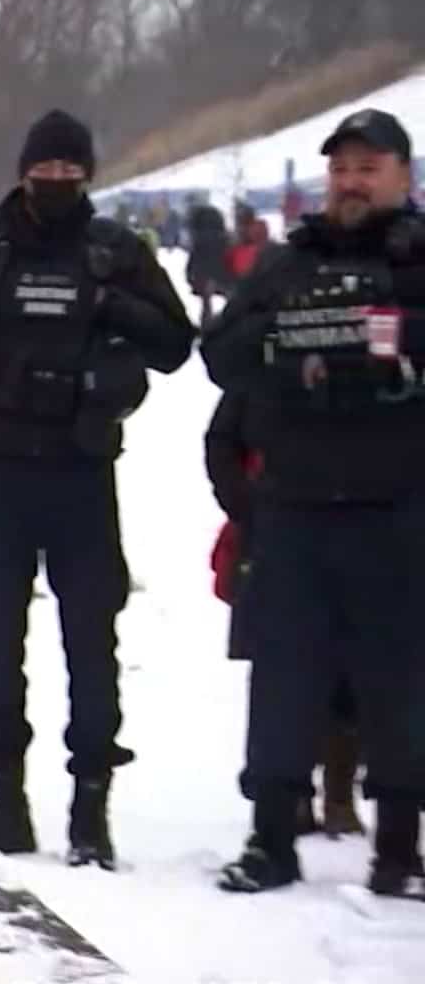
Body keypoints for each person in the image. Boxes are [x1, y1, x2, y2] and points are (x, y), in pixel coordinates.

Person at [0, 109, 195, 870]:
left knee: (92, 639)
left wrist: (108, 306)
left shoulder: (114, 253)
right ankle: (6, 800)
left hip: (81, 469)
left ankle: (92, 807)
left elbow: (175, 344)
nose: (57, 181)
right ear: (22, 174)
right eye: (45, 170)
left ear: (87, 176)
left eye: (70, 171)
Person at [201, 108, 425, 897]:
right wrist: (287, 344)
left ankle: (399, 847)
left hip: (396, 508)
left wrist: (391, 339)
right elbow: (221, 354)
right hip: (295, 506)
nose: (352, 183)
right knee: (284, 678)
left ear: (403, 175)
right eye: (341, 169)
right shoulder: (286, 265)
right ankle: (271, 839)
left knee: (400, 681)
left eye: (369, 167)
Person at [205, 391, 364, 839]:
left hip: (371, 523)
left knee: (354, 667)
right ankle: (288, 795)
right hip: (281, 527)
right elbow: (223, 440)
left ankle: (338, 792)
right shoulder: (271, 345)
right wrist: (252, 508)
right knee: (285, 670)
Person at [186, 200, 235, 327]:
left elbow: (193, 261)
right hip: (224, 275)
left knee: (206, 303)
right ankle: (231, 324)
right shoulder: (224, 238)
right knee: (232, 299)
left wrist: (190, 277)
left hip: (204, 277)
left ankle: (206, 328)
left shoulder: (199, 241)